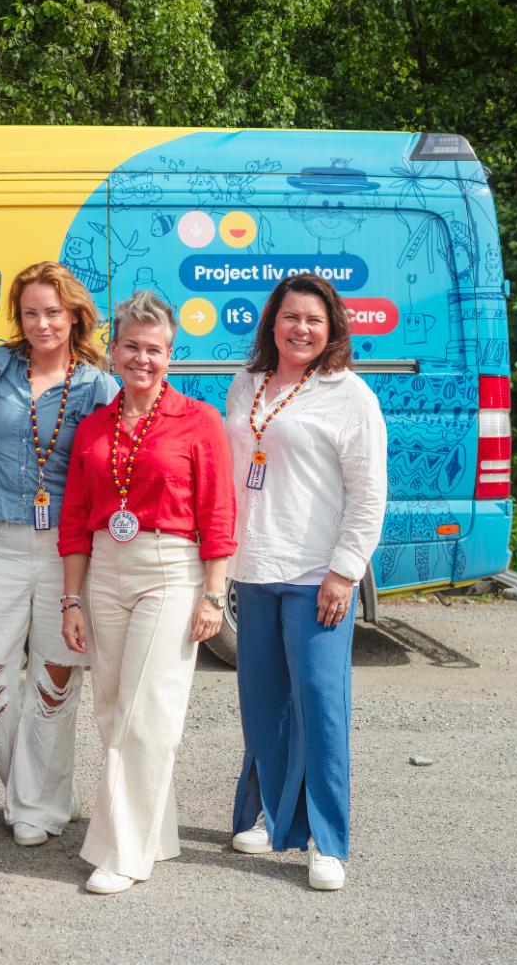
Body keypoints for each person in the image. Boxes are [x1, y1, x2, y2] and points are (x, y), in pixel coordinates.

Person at [58, 290, 236, 895]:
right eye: (131, 346)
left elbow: (219, 512)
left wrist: (214, 594)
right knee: (112, 709)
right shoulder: (94, 426)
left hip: (169, 569)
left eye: (154, 349)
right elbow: (74, 518)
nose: (142, 359)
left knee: (147, 712)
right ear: (112, 352)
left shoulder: (199, 420)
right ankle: (155, 833)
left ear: (170, 355)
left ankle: (122, 853)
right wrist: (71, 599)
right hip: (105, 567)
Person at [224, 273, 387, 892]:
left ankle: (326, 840)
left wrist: (345, 572)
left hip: (317, 574)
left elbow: (369, 493)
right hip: (252, 568)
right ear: (273, 322)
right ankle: (267, 818)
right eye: (290, 317)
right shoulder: (247, 383)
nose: (301, 329)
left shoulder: (349, 395)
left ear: (332, 328)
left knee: (320, 705)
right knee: (264, 704)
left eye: (314, 320)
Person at [0, 261, 119, 847]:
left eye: (53, 312)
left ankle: (36, 806)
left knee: (54, 680)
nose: (41, 323)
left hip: (68, 548)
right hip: (0, 539)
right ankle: (38, 793)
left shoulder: (98, 386)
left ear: (74, 315)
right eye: (30, 312)